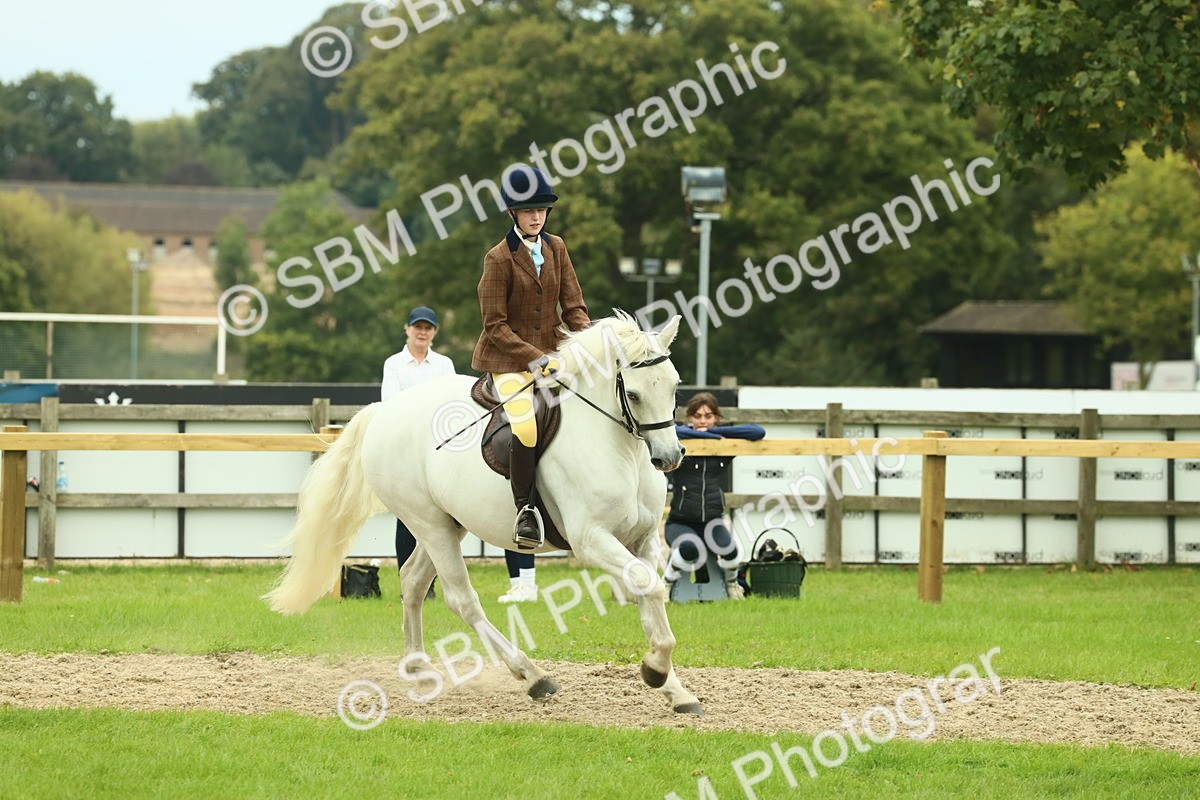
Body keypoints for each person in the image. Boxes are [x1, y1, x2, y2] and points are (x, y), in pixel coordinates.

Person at [472, 163, 590, 560]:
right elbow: (494, 325)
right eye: (528, 210)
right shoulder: (498, 259)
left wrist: (586, 344)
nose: (536, 216)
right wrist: (535, 358)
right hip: (507, 358)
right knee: (525, 425)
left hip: (555, 352)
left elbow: (573, 306)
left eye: (541, 209)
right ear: (513, 214)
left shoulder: (557, 247)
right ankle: (525, 511)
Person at [381, 305, 457, 598]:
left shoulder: (444, 364)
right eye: (418, 327)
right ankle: (409, 586)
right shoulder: (394, 364)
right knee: (408, 517)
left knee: (441, 520)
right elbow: (391, 404)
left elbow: (452, 404)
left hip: (439, 448)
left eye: (428, 327)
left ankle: (431, 584)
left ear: (434, 332)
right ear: (408, 329)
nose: (422, 332)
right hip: (406, 449)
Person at [665, 392, 765, 600]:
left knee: (730, 550)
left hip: (712, 521)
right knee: (689, 548)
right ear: (689, 418)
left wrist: (717, 434)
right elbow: (671, 429)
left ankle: (731, 585)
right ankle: (665, 585)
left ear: (716, 418)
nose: (703, 420)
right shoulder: (679, 438)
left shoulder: (725, 443)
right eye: (698, 416)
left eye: (709, 416)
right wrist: (708, 435)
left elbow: (758, 431)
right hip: (680, 521)